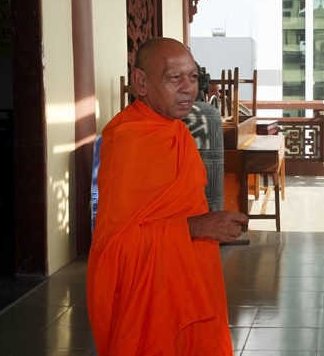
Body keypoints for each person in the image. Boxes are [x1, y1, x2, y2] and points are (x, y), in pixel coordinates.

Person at [87, 37, 249, 356]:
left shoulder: (175, 131)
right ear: (141, 82)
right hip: (148, 299)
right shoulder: (128, 140)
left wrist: (199, 227)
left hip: (186, 279)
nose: (189, 88)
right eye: (175, 78)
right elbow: (115, 248)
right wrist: (196, 228)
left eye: (193, 77)